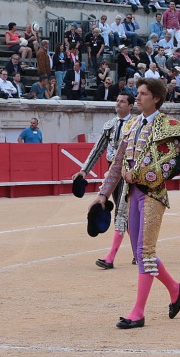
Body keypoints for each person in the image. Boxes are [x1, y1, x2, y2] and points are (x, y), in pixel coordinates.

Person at [93, 78, 180, 329]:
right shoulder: (131, 126)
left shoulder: (167, 126)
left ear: (156, 98)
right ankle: (175, 288)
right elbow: (118, 163)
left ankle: (138, 312)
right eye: (137, 93)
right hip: (131, 195)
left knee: (145, 252)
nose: (138, 97)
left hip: (153, 195)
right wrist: (103, 193)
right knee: (141, 255)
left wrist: (137, 176)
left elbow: (169, 164)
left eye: (142, 94)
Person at [74, 92, 135, 270]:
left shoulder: (136, 125)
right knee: (127, 215)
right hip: (112, 171)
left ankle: (110, 257)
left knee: (122, 212)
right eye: (117, 101)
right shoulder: (110, 125)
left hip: (129, 172)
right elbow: (97, 149)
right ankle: (139, 253)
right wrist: (84, 170)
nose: (118, 104)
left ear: (131, 106)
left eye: (122, 101)